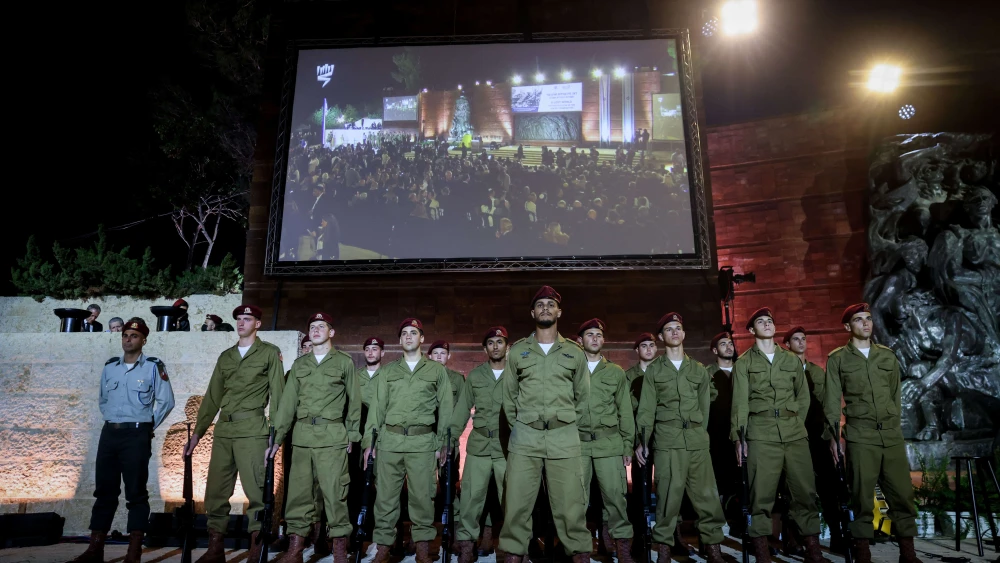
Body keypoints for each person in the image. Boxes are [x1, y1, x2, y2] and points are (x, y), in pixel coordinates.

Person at [184, 305, 286, 563]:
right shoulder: (226, 356)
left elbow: (279, 397)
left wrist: (276, 436)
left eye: (247, 319)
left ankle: (255, 548)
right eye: (239, 319)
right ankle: (215, 547)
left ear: (258, 324)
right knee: (216, 491)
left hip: (253, 429)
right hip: (224, 430)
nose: (241, 323)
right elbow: (212, 398)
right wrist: (197, 434)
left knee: (256, 492)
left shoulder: (269, 353)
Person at [498, 286, 592, 563]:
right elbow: (509, 397)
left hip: (563, 436)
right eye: (540, 304)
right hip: (525, 437)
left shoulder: (574, 353)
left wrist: (564, 423)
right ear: (532, 312)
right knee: (516, 502)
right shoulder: (517, 352)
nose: (546, 308)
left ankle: (578, 553)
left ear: (559, 311)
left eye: (551, 304)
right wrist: (525, 424)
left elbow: (583, 398)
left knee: (571, 503)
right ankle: (514, 553)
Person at [68, 319, 174, 563]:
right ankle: (95, 549)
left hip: (136, 434)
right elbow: (103, 400)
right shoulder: (110, 367)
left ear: (143, 340)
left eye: (134, 336)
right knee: (104, 491)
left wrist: (147, 426)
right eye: (125, 335)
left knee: (136, 493)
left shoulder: (153, 366)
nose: (128, 339)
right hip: (110, 433)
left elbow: (166, 401)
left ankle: (133, 552)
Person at [824, 304, 923, 563]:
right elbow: (832, 401)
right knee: (861, 497)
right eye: (859, 320)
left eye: (868, 319)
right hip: (860, 435)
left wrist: (893, 423)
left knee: (902, 494)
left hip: (890, 435)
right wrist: (835, 437)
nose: (866, 323)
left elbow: (895, 396)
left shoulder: (887, 357)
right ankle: (863, 552)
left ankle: (908, 553)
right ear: (848, 327)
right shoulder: (838, 359)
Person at [730, 307, 822, 563]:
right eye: (761, 321)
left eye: (770, 320)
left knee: (805, 492)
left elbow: (802, 397)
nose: (767, 324)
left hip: (794, 433)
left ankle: (813, 550)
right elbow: (740, 404)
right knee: (761, 496)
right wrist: (740, 438)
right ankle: (762, 552)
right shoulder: (744, 363)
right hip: (761, 433)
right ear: (752, 330)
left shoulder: (791, 360)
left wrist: (795, 422)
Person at [268, 312, 361, 563]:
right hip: (302, 437)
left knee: (334, 494)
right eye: (312, 326)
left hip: (332, 436)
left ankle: (340, 549)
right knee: (298, 495)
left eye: (321, 326)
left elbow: (354, 401)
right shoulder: (300, 365)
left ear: (331, 333)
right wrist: (277, 438)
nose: (316, 329)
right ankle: (296, 549)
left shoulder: (344, 362)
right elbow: (287, 405)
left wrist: (352, 433)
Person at [634, 312, 725, 563]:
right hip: (667, 440)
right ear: (662, 337)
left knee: (707, 496)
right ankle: (663, 548)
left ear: (683, 334)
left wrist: (699, 434)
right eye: (669, 329)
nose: (674, 332)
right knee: (667, 498)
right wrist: (642, 441)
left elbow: (704, 409)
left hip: (696, 440)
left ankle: (713, 546)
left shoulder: (698, 369)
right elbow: (647, 409)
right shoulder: (654, 371)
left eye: (678, 328)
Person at [362, 318, 454, 563]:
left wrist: (444, 443)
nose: (409, 336)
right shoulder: (388, 372)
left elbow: (446, 409)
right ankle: (383, 546)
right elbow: (377, 410)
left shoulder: (436, 371)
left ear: (421, 339)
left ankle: (422, 549)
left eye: (414, 332)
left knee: (423, 498)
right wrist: (368, 444)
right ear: (400, 340)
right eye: (404, 333)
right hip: (389, 441)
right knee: (385, 499)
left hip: (422, 442)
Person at [576, 319, 635, 561]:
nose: (595, 338)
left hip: (608, 442)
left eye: (599, 335)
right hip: (577, 444)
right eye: (590, 334)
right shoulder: (572, 372)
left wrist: (628, 444)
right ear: (580, 340)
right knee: (575, 500)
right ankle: (579, 550)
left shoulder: (615, 372)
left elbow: (625, 411)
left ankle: (621, 549)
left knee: (615, 498)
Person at [782, 326, 844, 553]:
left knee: (829, 488)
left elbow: (829, 405)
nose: (800, 342)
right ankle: (794, 538)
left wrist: (832, 437)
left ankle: (837, 536)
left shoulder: (817, 372)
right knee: (794, 489)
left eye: (803, 339)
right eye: (795, 339)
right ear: (787, 344)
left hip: (818, 435)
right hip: (794, 435)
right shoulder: (783, 372)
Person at [452, 327, 510, 563]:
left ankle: (513, 547)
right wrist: (450, 439)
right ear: (484, 348)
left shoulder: (517, 375)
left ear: (508, 346)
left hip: (507, 446)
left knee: (513, 498)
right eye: (490, 343)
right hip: (479, 446)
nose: (495, 346)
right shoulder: (476, 376)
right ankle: (467, 545)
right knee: (471, 499)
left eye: (499, 342)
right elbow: (462, 409)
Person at [428, 339, 465, 542]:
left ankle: (455, 530)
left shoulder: (457, 380)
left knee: (450, 485)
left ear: (448, 356)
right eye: (436, 353)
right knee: (424, 487)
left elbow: (460, 411)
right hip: (425, 439)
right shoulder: (422, 378)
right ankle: (424, 536)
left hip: (448, 440)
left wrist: (452, 441)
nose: (439, 356)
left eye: (443, 353)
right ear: (429, 356)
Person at [705, 332, 739, 503]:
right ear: (715, 350)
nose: (729, 347)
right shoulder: (706, 374)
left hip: (742, 431)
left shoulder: (743, 370)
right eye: (723, 344)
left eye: (731, 343)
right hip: (717, 434)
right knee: (719, 478)